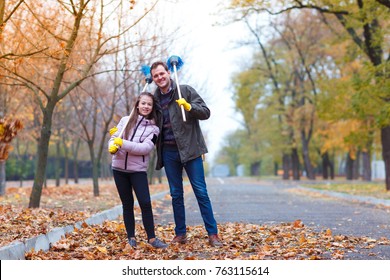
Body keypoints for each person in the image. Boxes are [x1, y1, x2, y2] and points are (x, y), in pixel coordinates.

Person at [150, 61, 222, 247]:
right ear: (153, 79)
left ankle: (212, 234)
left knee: (200, 192)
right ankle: (180, 234)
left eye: (162, 73)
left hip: (190, 150)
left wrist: (189, 107)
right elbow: (143, 116)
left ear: (168, 72)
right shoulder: (154, 100)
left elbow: (206, 112)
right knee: (176, 195)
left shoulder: (185, 91)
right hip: (168, 152)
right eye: (156, 76)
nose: (160, 77)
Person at [108, 92, 167, 249]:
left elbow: (145, 148)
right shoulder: (125, 121)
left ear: (152, 107)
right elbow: (114, 139)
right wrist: (112, 146)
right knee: (127, 204)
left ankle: (152, 239)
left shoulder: (154, 129)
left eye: (149, 104)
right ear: (137, 104)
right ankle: (131, 237)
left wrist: (122, 143)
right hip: (119, 168)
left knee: (145, 203)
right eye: (143, 103)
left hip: (137, 170)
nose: (146, 106)